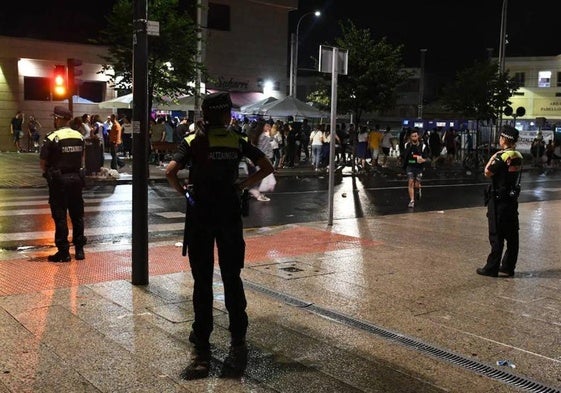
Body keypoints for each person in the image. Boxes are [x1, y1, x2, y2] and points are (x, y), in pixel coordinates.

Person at [165, 92, 274, 380]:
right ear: (226, 115)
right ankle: (238, 341)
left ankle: (201, 349)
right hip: (228, 216)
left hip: (200, 217)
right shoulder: (237, 141)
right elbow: (267, 167)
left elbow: (170, 171)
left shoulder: (193, 142)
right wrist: (242, 185)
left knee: (202, 282)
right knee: (231, 278)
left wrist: (184, 191)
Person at [39, 106, 87, 262]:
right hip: (77, 180)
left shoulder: (52, 137)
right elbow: (82, 159)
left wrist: (48, 173)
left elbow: (43, 161)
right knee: (77, 215)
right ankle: (79, 250)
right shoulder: (79, 136)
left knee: (60, 216)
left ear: (58, 119)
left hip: (59, 181)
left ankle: (64, 252)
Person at [477, 125, 523, 277]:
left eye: (500, 137)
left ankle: (492, 268)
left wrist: (492, 157)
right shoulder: (518, 156)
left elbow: (487, 172)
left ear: (504, 139)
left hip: (498, 200)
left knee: (496, 234)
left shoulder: (501, 156)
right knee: (512, 235)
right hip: (511, 199)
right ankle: (508, 266)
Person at [402, 128, 429, 208]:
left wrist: (422, 160)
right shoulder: (407, 145)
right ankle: (412, 201)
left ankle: (418, 189)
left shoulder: (423, 146)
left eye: (415, 136)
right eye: (413, 136)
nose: (414, 137)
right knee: (410, 182)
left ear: (418, 136)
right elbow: (404, 155)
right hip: (410, 167)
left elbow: (426, 158)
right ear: (410, 137)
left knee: (416, 184)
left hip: (419, 167)